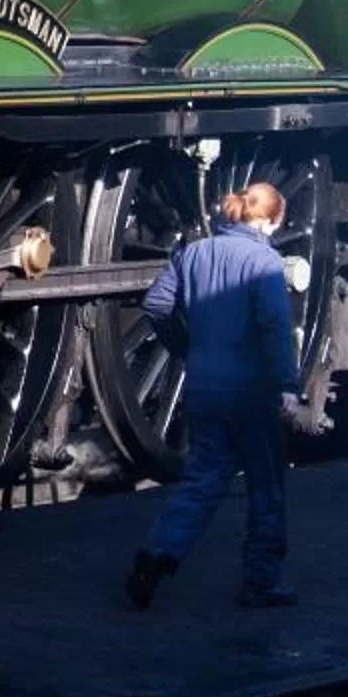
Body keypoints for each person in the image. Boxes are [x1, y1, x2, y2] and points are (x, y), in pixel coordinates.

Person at [125, 180, 301, 611]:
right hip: (253, 392)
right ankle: (260, 582)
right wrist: (288, 386)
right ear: (271, 219)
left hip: (204, 387)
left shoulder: (194, 253)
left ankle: (157, 554)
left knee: (203, 479)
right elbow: (276, 330)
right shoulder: (265, 263)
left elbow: (157, 305)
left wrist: (186, 348)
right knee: (266, 486)